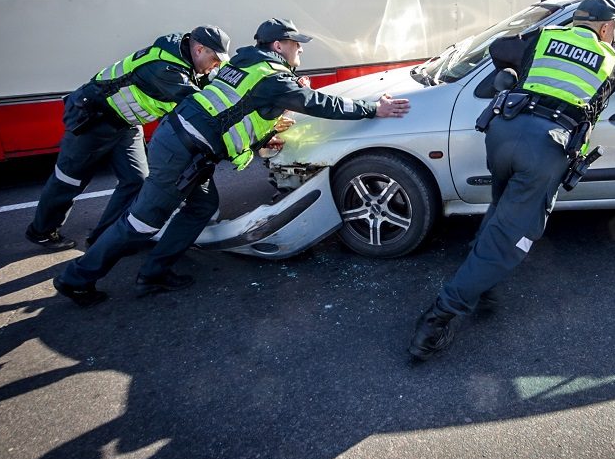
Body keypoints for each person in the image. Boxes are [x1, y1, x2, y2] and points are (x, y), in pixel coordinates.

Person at [53, 18, 411, 308]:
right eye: (294, 42)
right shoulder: (272, 78)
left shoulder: (247, 63)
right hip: (183, 151)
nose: (299, 47)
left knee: (201, 207)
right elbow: (320, 104)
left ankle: (154, 272)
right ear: (277, 46)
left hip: (188, 146)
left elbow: (235, 110)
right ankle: (77, 277)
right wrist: (372, 108)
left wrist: (264, 129)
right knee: (141, 222)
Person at [408, 0, 615, 361]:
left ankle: (482, 282)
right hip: (544, 150)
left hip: (503, 135)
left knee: (502, 210)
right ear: (603, 28)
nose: (614, 34)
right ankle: (438, 319)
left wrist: (521, 70)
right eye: (614, 28)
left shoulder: (546, 37)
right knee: (510, 238)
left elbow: (500, 46)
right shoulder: (610, 59)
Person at [26, 26, 231, 251]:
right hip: (94, 119)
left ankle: (103, 238)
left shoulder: (187, 63)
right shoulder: (165, 68)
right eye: (215, 59)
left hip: (127, 124)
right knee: (69, 178)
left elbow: (207, 87)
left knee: (136, 180)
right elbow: (198, 105)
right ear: (200, 49)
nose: (217, 65)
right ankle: (42, 231)